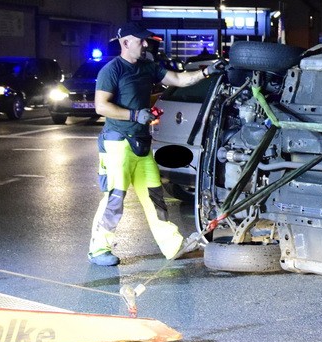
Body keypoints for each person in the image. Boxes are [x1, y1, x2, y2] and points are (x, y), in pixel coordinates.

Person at [88, 23, 223, 266]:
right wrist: (134, 115)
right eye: (140, 40)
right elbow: (101, 106)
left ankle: (173, 247)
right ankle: (98, 250)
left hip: (141, 144)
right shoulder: (112, 70)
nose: (146, 44)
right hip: (117, 144)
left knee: (155, 197)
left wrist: (207, 72)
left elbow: (179, 80)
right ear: (126, 43)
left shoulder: (148, 67)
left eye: (146, 40)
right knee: (115, 199)